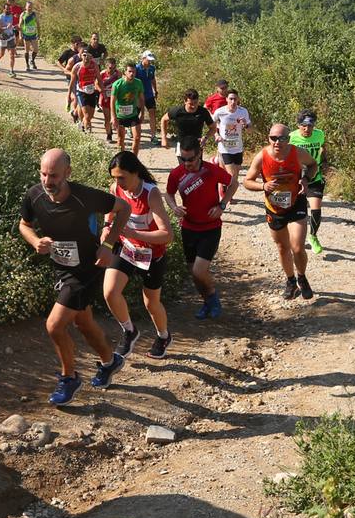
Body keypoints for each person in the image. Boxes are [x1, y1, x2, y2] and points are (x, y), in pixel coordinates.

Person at [19, 149, 131, 405]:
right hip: (62, 268)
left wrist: (108, 245)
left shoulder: (85, 197)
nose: (48, 181)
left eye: (55, 176)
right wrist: (36, 241)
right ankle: (110, 361)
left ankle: (69, 378)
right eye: (44, 174)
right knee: (83, 323)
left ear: (68, 174)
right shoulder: (35, 195)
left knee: (54, 326)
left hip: (87, 269)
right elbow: (24, 224)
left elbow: (124, 208)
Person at [102, 151, 176, 359]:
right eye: (115, 178)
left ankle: (163, 336)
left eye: (122, 177)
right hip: (127, 249)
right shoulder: (116, 188)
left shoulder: (151, 194)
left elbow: (167, 235)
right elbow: (110, 214)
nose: (118, 182)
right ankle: (129, 331)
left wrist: (135, 233)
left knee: (151, 303)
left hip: (152, 254)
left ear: (136, 173)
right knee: (110, 292)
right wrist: (106, 230)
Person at [243, 123, 319, 300]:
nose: (277, 142)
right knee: (282, 247)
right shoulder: (261, 156)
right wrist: (263, 185)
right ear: (268, 138)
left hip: (296, 203)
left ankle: (302, 277)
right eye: (273, 138)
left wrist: (306, 179)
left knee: (298, 247)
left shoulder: (297, 152)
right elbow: (247, 181)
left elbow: (313, 165)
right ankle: (291, 281)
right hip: (274, 208)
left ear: (288, 139)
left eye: (282, 138)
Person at [164, 136, 237, 319]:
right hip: (189, 227)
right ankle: (206, 303)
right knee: (194, 273)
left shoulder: (211, 170)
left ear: (199, 155)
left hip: (210, 228)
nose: (186, 163)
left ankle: (213, 298)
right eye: (182, 159)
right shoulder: (176, 174)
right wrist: (174, 207)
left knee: (199, 270)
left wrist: (222, 205)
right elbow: (168, 194)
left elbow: (233, 183)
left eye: (190, 159)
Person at [289, 110, 328, 255]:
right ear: (298, 125)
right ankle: (293, 236)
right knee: (293, 210)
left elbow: (323, 146)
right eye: (304, 126)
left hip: (315, 176)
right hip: (297, 179)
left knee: (316, 209)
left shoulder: (319, 134)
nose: (307, 129)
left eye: (310, 126)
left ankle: (313, 236)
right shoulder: (291, 137)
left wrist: (324, 160)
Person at [211, 89, 252, 185]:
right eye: (231, 99)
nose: (233, 102)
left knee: (235, 175)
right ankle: (226, 198)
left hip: (238, 148)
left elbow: (250, 131)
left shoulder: (243, 111)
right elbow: (211, 126)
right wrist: (216, 135)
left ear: (238, 100)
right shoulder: (219, 112)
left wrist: (245, 125)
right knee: (232, 176)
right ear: (226, 99)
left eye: (235, 99)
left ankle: (224, 192)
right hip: (225, 148)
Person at [161, 89, 215, 153]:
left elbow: (213, 128)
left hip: (197, 145)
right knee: (183, 163)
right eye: (190, 104)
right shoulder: (177, 111)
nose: (193, 106)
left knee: (197, 163)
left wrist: (205, 137)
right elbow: (164, 119)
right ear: (185, 101)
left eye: (195, 103)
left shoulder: (203, 112)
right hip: (181, 144)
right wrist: (164, 138)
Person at [110, 62, 146, 155]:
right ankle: (121, 160)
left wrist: (142, 113)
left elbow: (142, 99)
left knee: (137, 138)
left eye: (134, 72)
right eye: (129, 71)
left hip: (133, 115)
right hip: (120, 116)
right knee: (120, 139)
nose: (132, 74)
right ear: (124, 72)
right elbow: (112, 102)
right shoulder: (117, 84)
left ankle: (134, 160)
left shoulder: (138, 83)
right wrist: (113, 117)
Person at [70, 51, 102, 133]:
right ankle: (87, 132)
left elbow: (99, 78)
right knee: (87, 116)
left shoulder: (94, 65)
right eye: (84, 55)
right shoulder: (77, 67)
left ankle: (81, 124)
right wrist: (69, 94)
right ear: (81, 56)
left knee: (90, 116)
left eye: (88, 55)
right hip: (81, 92)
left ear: (91, 57)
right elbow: (72, 82)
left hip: (92, 92)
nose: (86, 57)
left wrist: (103, 92)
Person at [135, 51, 160, 145]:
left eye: (151, 60)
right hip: (138, 95)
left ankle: (153, 136)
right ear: (143, 58)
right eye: (148, 60)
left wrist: (155, 90)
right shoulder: (136, 68)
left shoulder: (152, 68)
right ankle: (130, 129)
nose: (150, 62)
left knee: (152, 113)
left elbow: (153, 79)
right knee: (135, 114)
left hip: (149, 94)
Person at [57, 36, 84, 120]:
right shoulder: (68, 52)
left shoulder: (83, 53)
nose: (78, 45)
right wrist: (64, 70)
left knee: (76, 96)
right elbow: (58, 62)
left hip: (80, 78)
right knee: (76, 96)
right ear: (74, 44)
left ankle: (70, 100)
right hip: (70, 77)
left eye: (80, 43)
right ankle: (76, 114)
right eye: (77, 43)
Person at [97, 57, 120, 144]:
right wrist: (102, 91)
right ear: (106, 66)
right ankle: (109, 134)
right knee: (107, 118)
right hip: (105, 98)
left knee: (117, 117)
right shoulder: (102, 73)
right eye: (110, 68)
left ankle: (119, 136)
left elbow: (121, 83)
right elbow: (96, 84)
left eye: (114, 68)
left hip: (115, 98)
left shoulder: (118, 74)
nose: (112, 70)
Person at [0, 2, 19, 79]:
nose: (8, 10)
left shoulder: (11, 16)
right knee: (1, 54)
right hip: (3, 38)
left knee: (12, 55)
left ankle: (11, 71)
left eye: (9, 9)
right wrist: (6, 27)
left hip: (11, 37)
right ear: (3, 9)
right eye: (7, 9)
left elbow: (13, 25)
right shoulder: (0, 18)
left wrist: (14, 27)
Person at [20, 1, 40, 70]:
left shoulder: (34, 14)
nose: (30, 8)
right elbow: (20, 25)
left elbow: (38, 24)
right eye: (28, 7)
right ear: (26, 7)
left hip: (33, 34)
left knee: (36, 49)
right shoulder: (23, 14)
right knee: (27, 50)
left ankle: (32, 60)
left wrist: (39, 33)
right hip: (26, 34)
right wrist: (20, 34)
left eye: (31, 6)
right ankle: (27, 65)